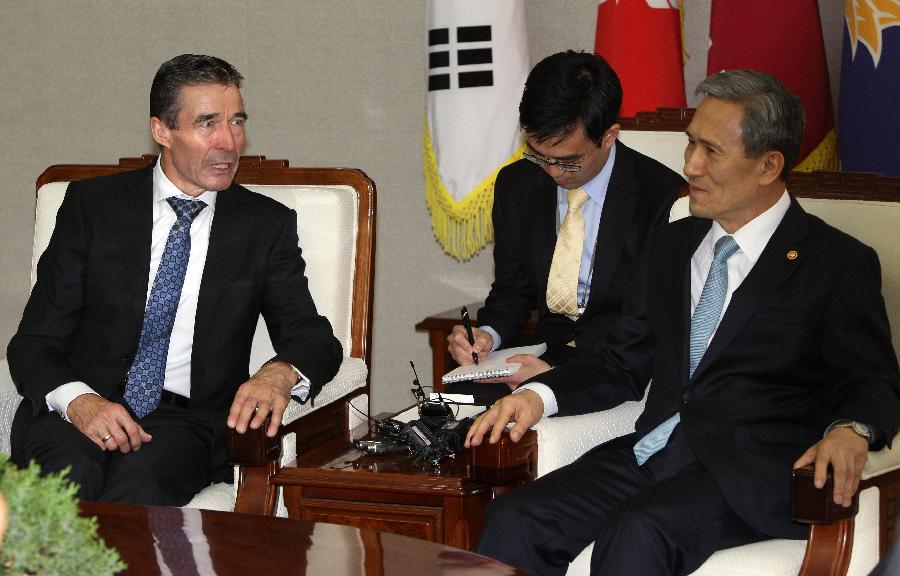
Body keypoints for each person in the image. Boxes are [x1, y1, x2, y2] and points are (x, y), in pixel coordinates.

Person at [465, 69, 900, 575]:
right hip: (656, 452)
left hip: (752, 472)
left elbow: (872, 379)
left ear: (768, 165)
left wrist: (850, 430)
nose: (690, 164)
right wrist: (536, 397)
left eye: (710, 151)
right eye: (690, 144)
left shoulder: (835, 264)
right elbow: (622, 358)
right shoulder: (673, 245)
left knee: (638, 534)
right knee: (516, 517)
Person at [7, 54, 342, 506]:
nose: (228, 142)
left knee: (135, 494)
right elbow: (33, 342)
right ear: (162, 131)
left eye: (236, 122)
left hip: (184, 422)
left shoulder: (263, 225)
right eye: (207, 123)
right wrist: (79, 402)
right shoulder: (94, 208)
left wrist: (279, 373)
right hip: (81, 408)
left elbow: (313, 336)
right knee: (70, 485)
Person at [445, 51, 685, 402]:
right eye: (538, 155)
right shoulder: (518, 184)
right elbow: (513, 289)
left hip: (618, 360)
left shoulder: (662, 197)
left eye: (569, 161)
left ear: (609, 136)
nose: (553, 172)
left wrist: (563, 376)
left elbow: (648, 322)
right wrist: (486, 335)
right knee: (454, 407)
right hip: (543, 348)